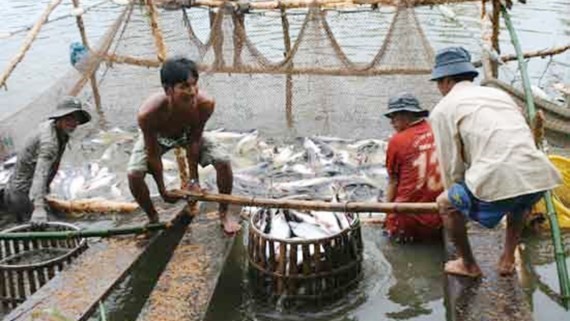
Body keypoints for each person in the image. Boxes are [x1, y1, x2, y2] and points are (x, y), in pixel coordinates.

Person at [429, 47, 562, 277]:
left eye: (439, 82)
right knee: (520, 201)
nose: (439, 88)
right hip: (539, 174)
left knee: (446, 204)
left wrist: (457, 197)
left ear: (447, 81)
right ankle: (508, 258)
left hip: (501, 175)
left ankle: (468, 264)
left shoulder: (443, 109)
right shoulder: (499, 95)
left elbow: (452, 167)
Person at [127, 57, 241, 235]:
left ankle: (224, 212)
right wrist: (163, 190)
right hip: (159, 137)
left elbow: (194, 141)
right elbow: (153, 154)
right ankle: (153, 217)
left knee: (223, 161)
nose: (192, 92)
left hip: (187, 134)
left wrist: (193, 181)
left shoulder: (205, 104)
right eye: (184, 87)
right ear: (168, 90)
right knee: (134, 174)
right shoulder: (148, 114)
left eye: (194, 84)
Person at [0, 96, 91, 226]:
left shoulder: (60, 131)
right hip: (22, 195)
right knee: (52, 231)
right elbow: (40, 174)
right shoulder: (49, 142)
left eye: (76, 118)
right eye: (68, 118)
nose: (73, 122)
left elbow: (52, 167)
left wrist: (46, 192)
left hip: (21, 191)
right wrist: (38, 208)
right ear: (58, 118)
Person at [383, 93, 443, 242]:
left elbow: (393, 182)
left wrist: (386, 213)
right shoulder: (439, 131)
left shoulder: (397, 141)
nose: (391, 123)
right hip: (440, 215)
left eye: (393, 117)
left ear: (406, 115)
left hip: (407, 218)